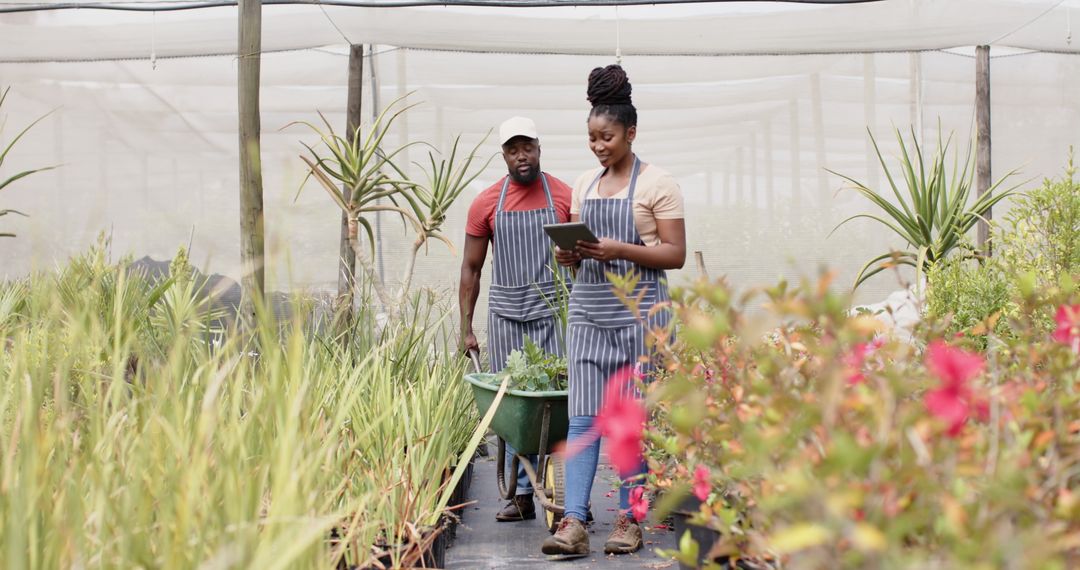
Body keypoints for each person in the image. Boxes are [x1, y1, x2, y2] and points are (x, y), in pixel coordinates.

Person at [542, 65, 686, 557]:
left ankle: (630, 519)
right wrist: (571, 253)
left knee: (628, 422)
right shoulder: (584, 185)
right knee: (582, 419)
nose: (598, 145)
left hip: (639, 318)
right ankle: (575, 522)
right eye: (591, 138)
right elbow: (583, 246)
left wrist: (619, 249)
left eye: (606, 137)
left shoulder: (657, 183)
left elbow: (675, 254)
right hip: (589, 312)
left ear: (630, 133)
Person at [459, 116, 574, 522]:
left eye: (527, 147)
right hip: (507, 314)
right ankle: (522, 495)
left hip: (551, 313)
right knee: (514, 407)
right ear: (503, 154)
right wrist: (466, 328)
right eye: (513, 149)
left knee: (555, 403)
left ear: (539, 148)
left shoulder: (563, 197)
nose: (521, 156)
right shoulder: (487, 202)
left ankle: (568, 498)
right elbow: (471, 269)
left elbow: (580, 261)